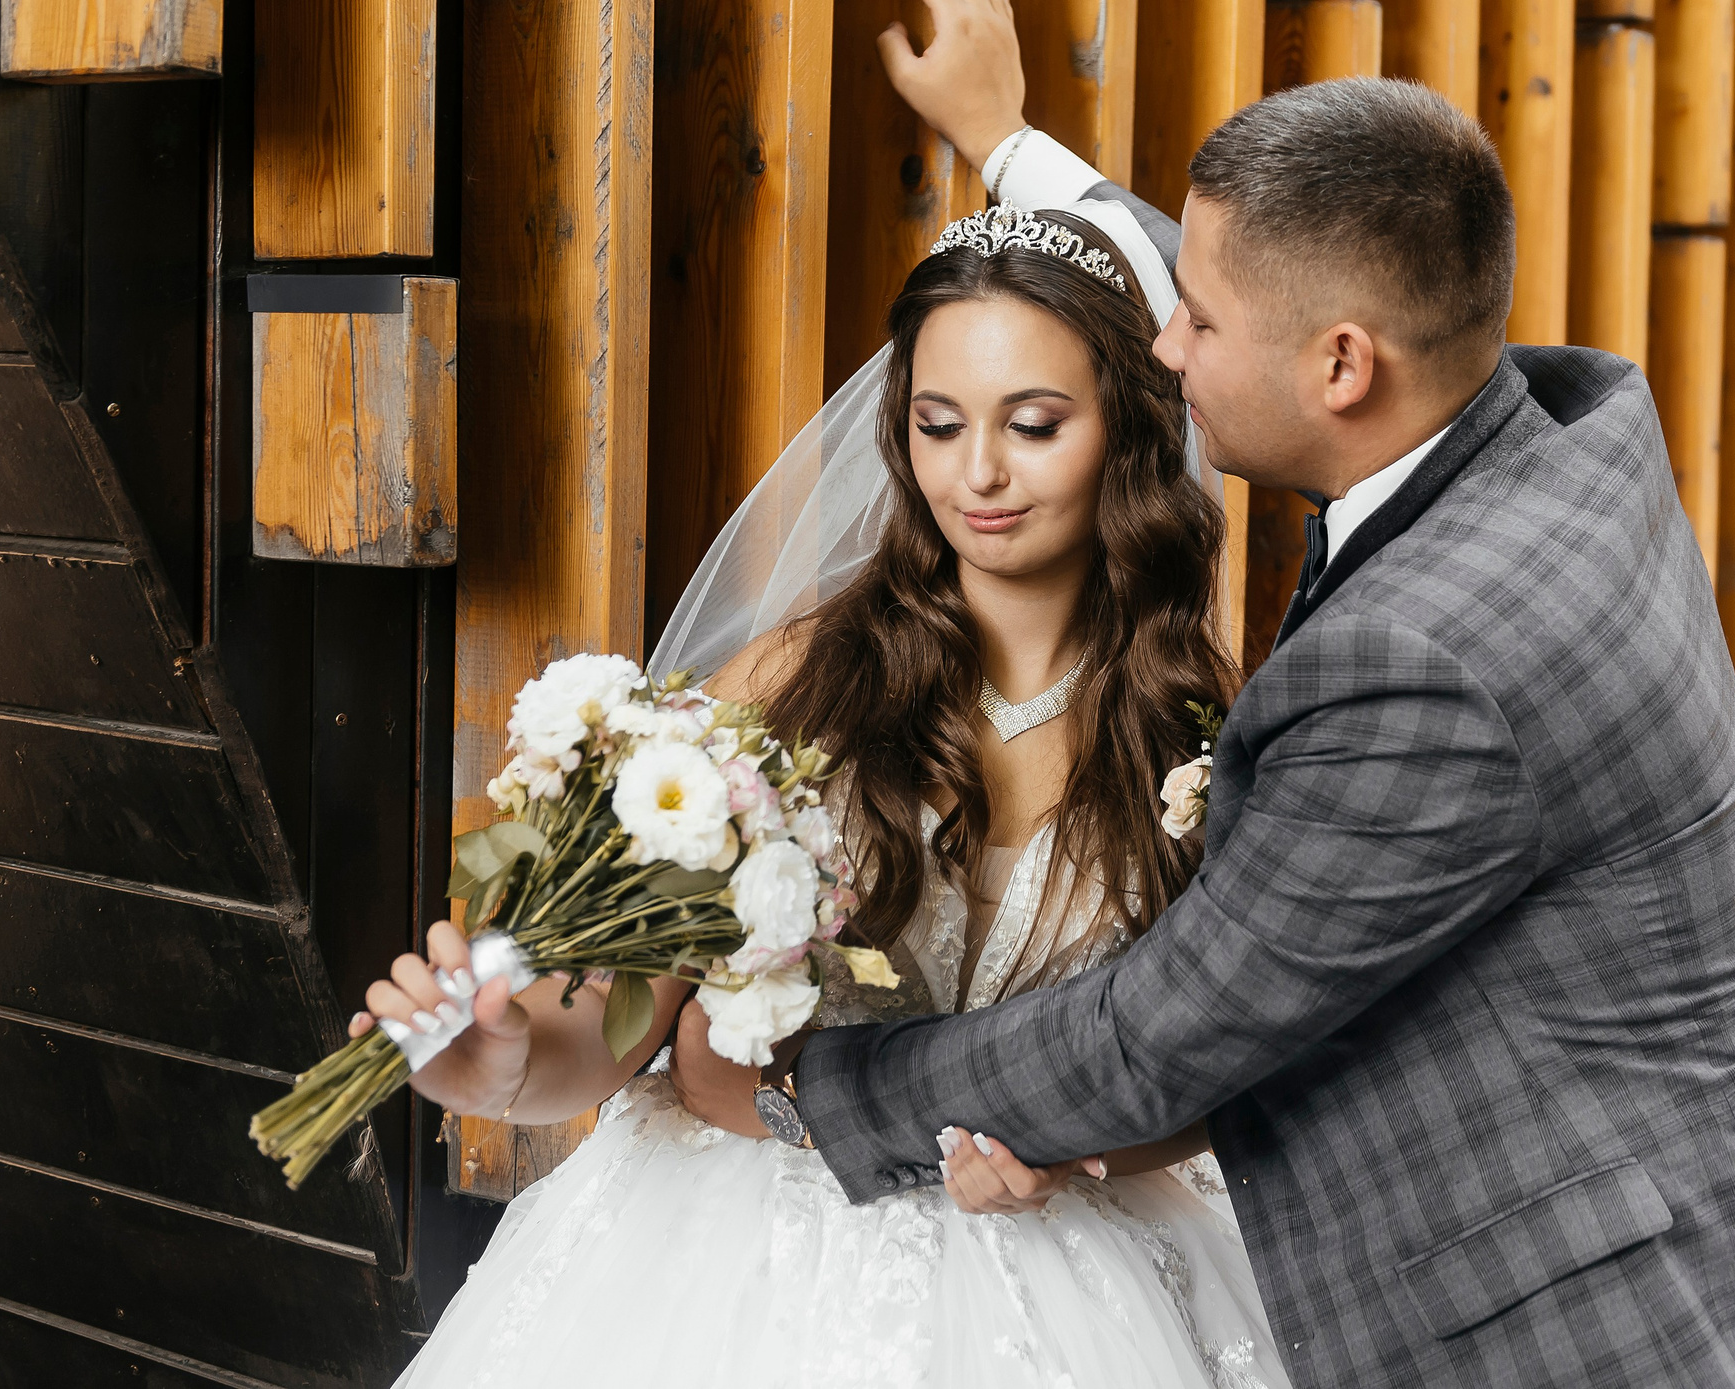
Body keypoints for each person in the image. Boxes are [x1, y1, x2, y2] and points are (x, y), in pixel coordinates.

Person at [669, 0, 1735, 1386]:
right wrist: (1008, 140)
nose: (1167, 351)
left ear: (1340, 366)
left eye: (1192, 325)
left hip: (1587, 1333)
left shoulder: (1428, 663)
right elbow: (1238, 282)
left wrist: (806, 1089)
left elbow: (1155, 1041)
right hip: (1692, 1227)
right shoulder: (1549, 425)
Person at [353, 138, 1293, 1378]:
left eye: (1034, 423)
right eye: (940, 423)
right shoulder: (794, 685)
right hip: (732, 1263)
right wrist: (508, 1058)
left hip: (1074, 1263)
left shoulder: (1201, 729)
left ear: (1125, 429)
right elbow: (627, 1018)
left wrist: (1086, 1148)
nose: (980, 474)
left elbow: (1222, 1054)